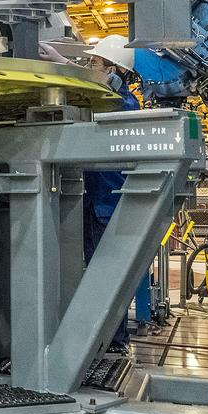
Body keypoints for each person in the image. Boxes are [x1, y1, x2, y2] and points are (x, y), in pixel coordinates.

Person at [82, 34, 148, 351]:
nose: (88, 67)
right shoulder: (117, 100)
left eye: (94, 63)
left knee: (107, 275)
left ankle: (114, 342)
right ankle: (106, 338)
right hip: (99, 202)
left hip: (106, 205)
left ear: (113, 70)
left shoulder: (123, 104)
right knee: (101, 274)